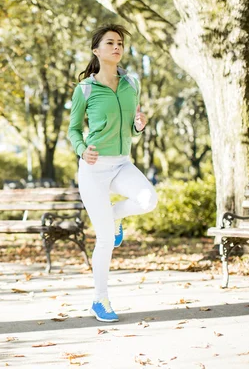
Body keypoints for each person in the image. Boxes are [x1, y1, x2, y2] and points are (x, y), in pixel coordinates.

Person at [67, 24, 158, 322]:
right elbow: (73, 130)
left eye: (120, 43)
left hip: (121, 163)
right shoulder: (85, 89)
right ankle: (99, 300)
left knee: (148, 200)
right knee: (105, 238)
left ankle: (115, 214)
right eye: (110, 43)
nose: (117, 47)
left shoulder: (131, 83)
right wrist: (82, 149)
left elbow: (133, 121)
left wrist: (138, 125)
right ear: (97, 50)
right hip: (94, 169)